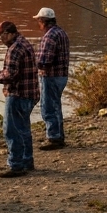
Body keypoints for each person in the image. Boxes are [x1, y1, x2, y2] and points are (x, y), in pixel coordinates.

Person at [0, 21, 39, 177]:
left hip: (18, 95)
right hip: (30, 93)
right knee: (24, 129)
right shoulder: (24, 43)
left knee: (11, 130)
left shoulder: (14, 49)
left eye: (2, 36)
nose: (1, 39)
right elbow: (13, 70)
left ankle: (16, 165)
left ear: (9, 33)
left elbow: (10, 75)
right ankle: (27, 162)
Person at [33, 8, 70, 150]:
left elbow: (44, 62)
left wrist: (29, 64)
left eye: (38, 20)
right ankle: (58, 136)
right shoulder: (61, 33)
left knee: (48, 107)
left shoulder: (49, 36)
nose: (38, 24)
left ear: (43, 21)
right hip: (62, 75)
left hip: (51, 76)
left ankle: (54, 137)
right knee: (55, 106)